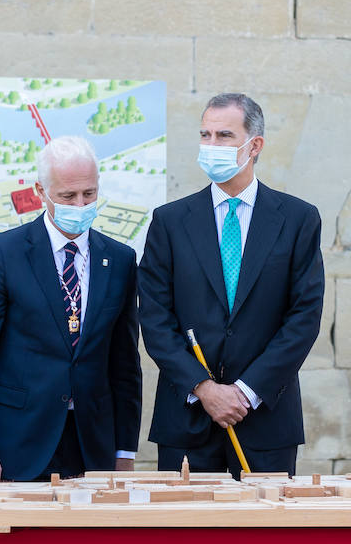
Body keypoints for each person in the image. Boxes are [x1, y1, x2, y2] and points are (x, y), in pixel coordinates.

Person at [139, 92, 325, 477]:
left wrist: (246, 391)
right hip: (187, 419)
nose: (211, 146)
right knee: (185, 536)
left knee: (265, 536)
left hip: (265, 421)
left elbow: (303, 317)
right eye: (205, 135)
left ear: (253, 145)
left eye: (223, 136)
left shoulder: (297, 220)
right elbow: (155, 318)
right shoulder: (170, 222)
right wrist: (204, 388)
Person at [0, 135, 141, 481]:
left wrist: (125, 451)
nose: (80, 204)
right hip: (20, 441)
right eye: (68, 196)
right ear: (41, 191)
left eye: (89, 193)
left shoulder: (119, 259)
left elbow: (125, 364)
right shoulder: (3, 254)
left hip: (93, 444)